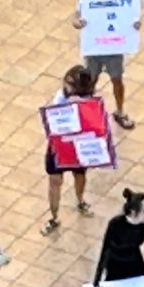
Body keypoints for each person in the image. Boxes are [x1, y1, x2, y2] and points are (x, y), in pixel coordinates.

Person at [72, 0, 141, 130]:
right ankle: (88, 113)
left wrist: (134, 25)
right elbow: (76, 16)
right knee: (90, 80)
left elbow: (132, 15)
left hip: (114, 47)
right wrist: (78, 23)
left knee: (117, 80)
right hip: (95, 47)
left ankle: (120, 111)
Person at [42, 64, 97, 236]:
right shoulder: (60, 98)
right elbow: (54, 122)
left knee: (80, 175)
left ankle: (80, 201)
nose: (66, 86)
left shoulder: (89, 101)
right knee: (54, 181)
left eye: (71, 85)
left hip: (78, 147)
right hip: (59, 147)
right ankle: (54, 217)